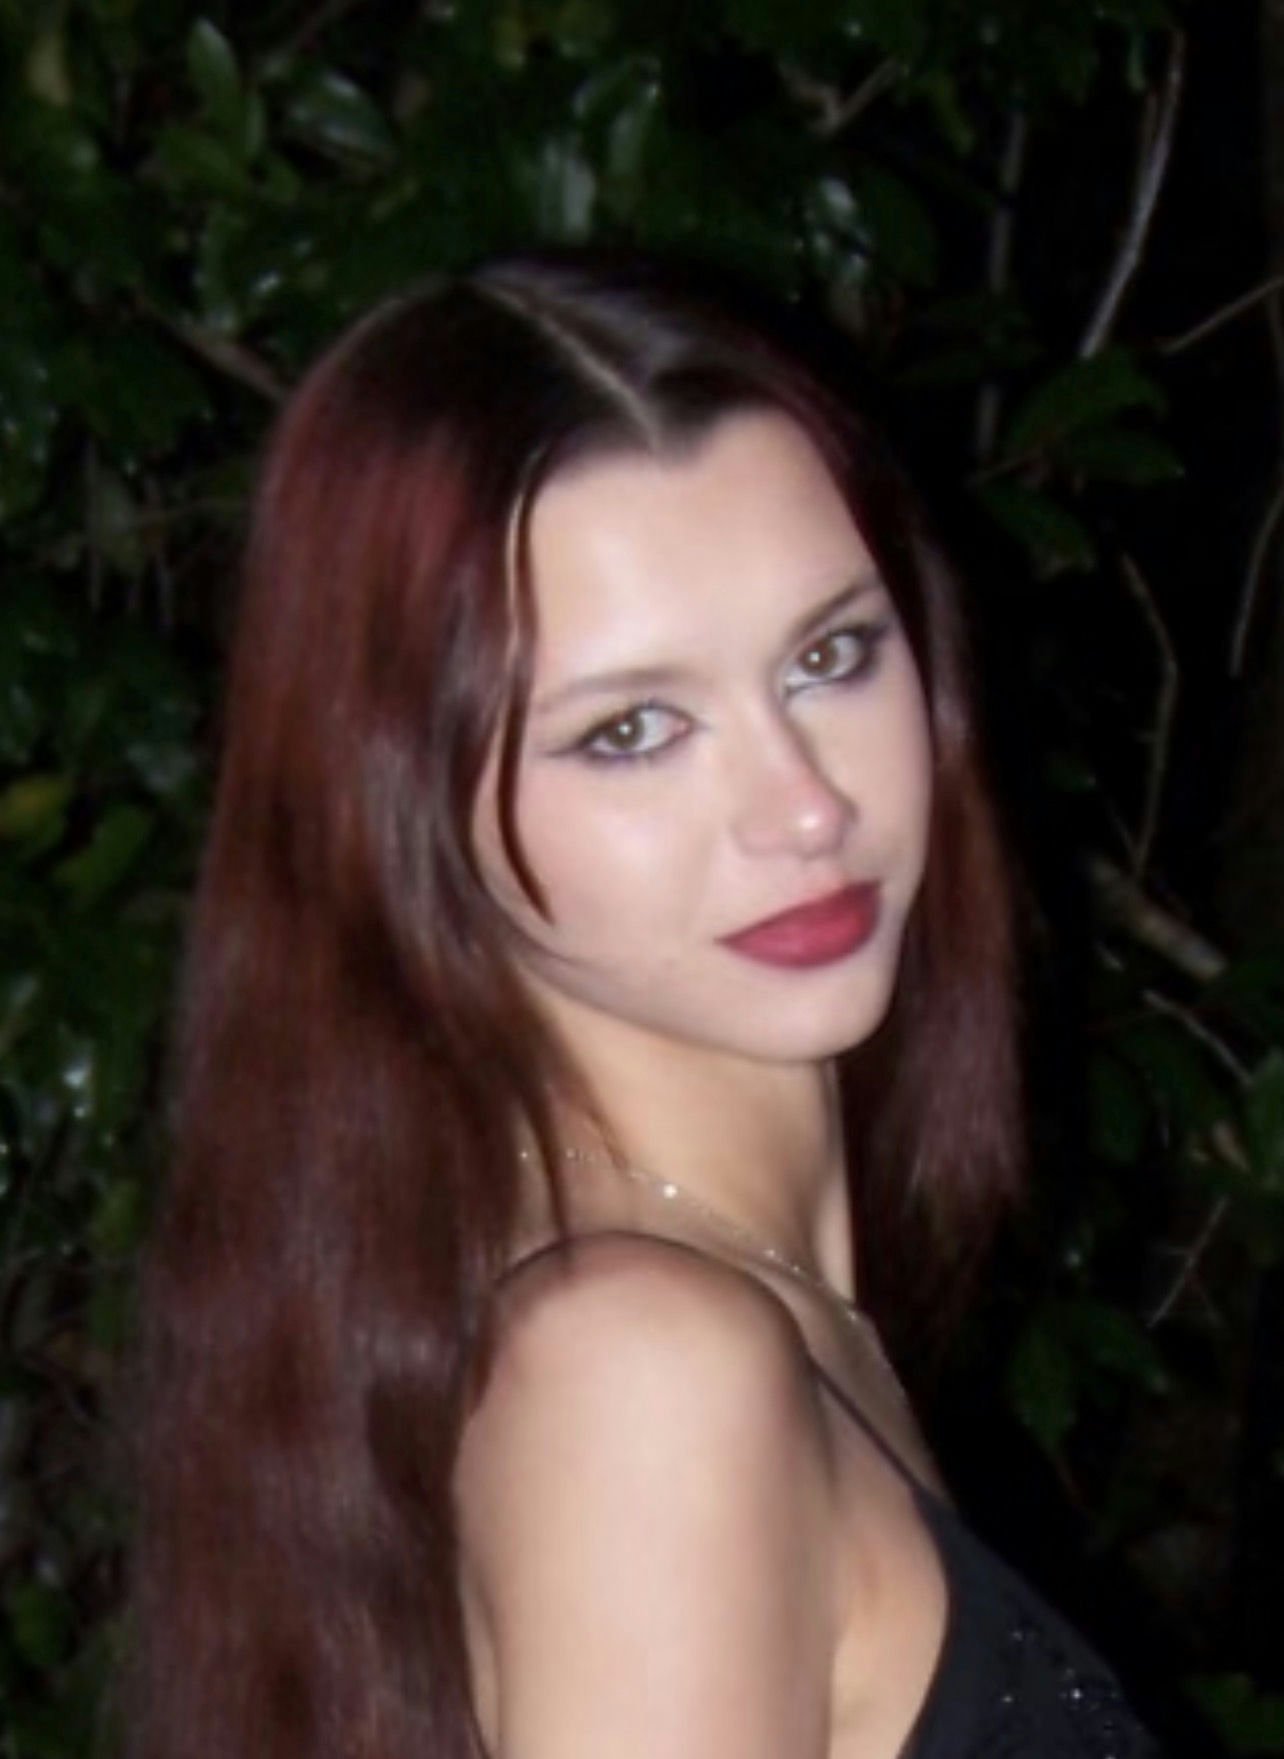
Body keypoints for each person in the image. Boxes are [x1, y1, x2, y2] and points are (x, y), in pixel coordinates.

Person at [129, 253, 1160, 1759]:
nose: (803, 805)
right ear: (397, 811)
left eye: (829, 655)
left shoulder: (712, 1316)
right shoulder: (649, 1374)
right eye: (633, 731)